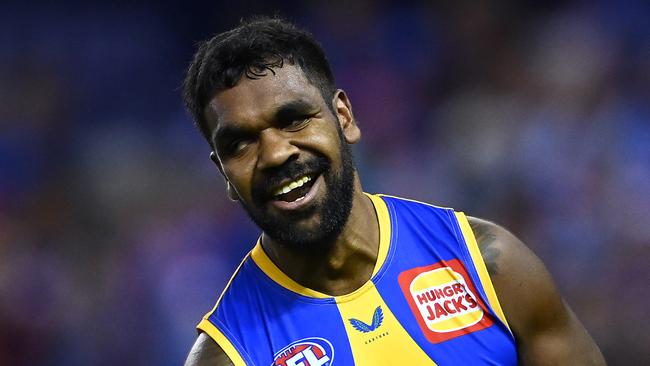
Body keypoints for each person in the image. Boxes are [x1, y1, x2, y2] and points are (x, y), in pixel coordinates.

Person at [181, 16, 605, 366]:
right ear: (223, 173)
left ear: (343, 117)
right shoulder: (228, 356)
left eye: (294, 119)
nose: (274, 154)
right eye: (240, 143)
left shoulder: (489, 266)